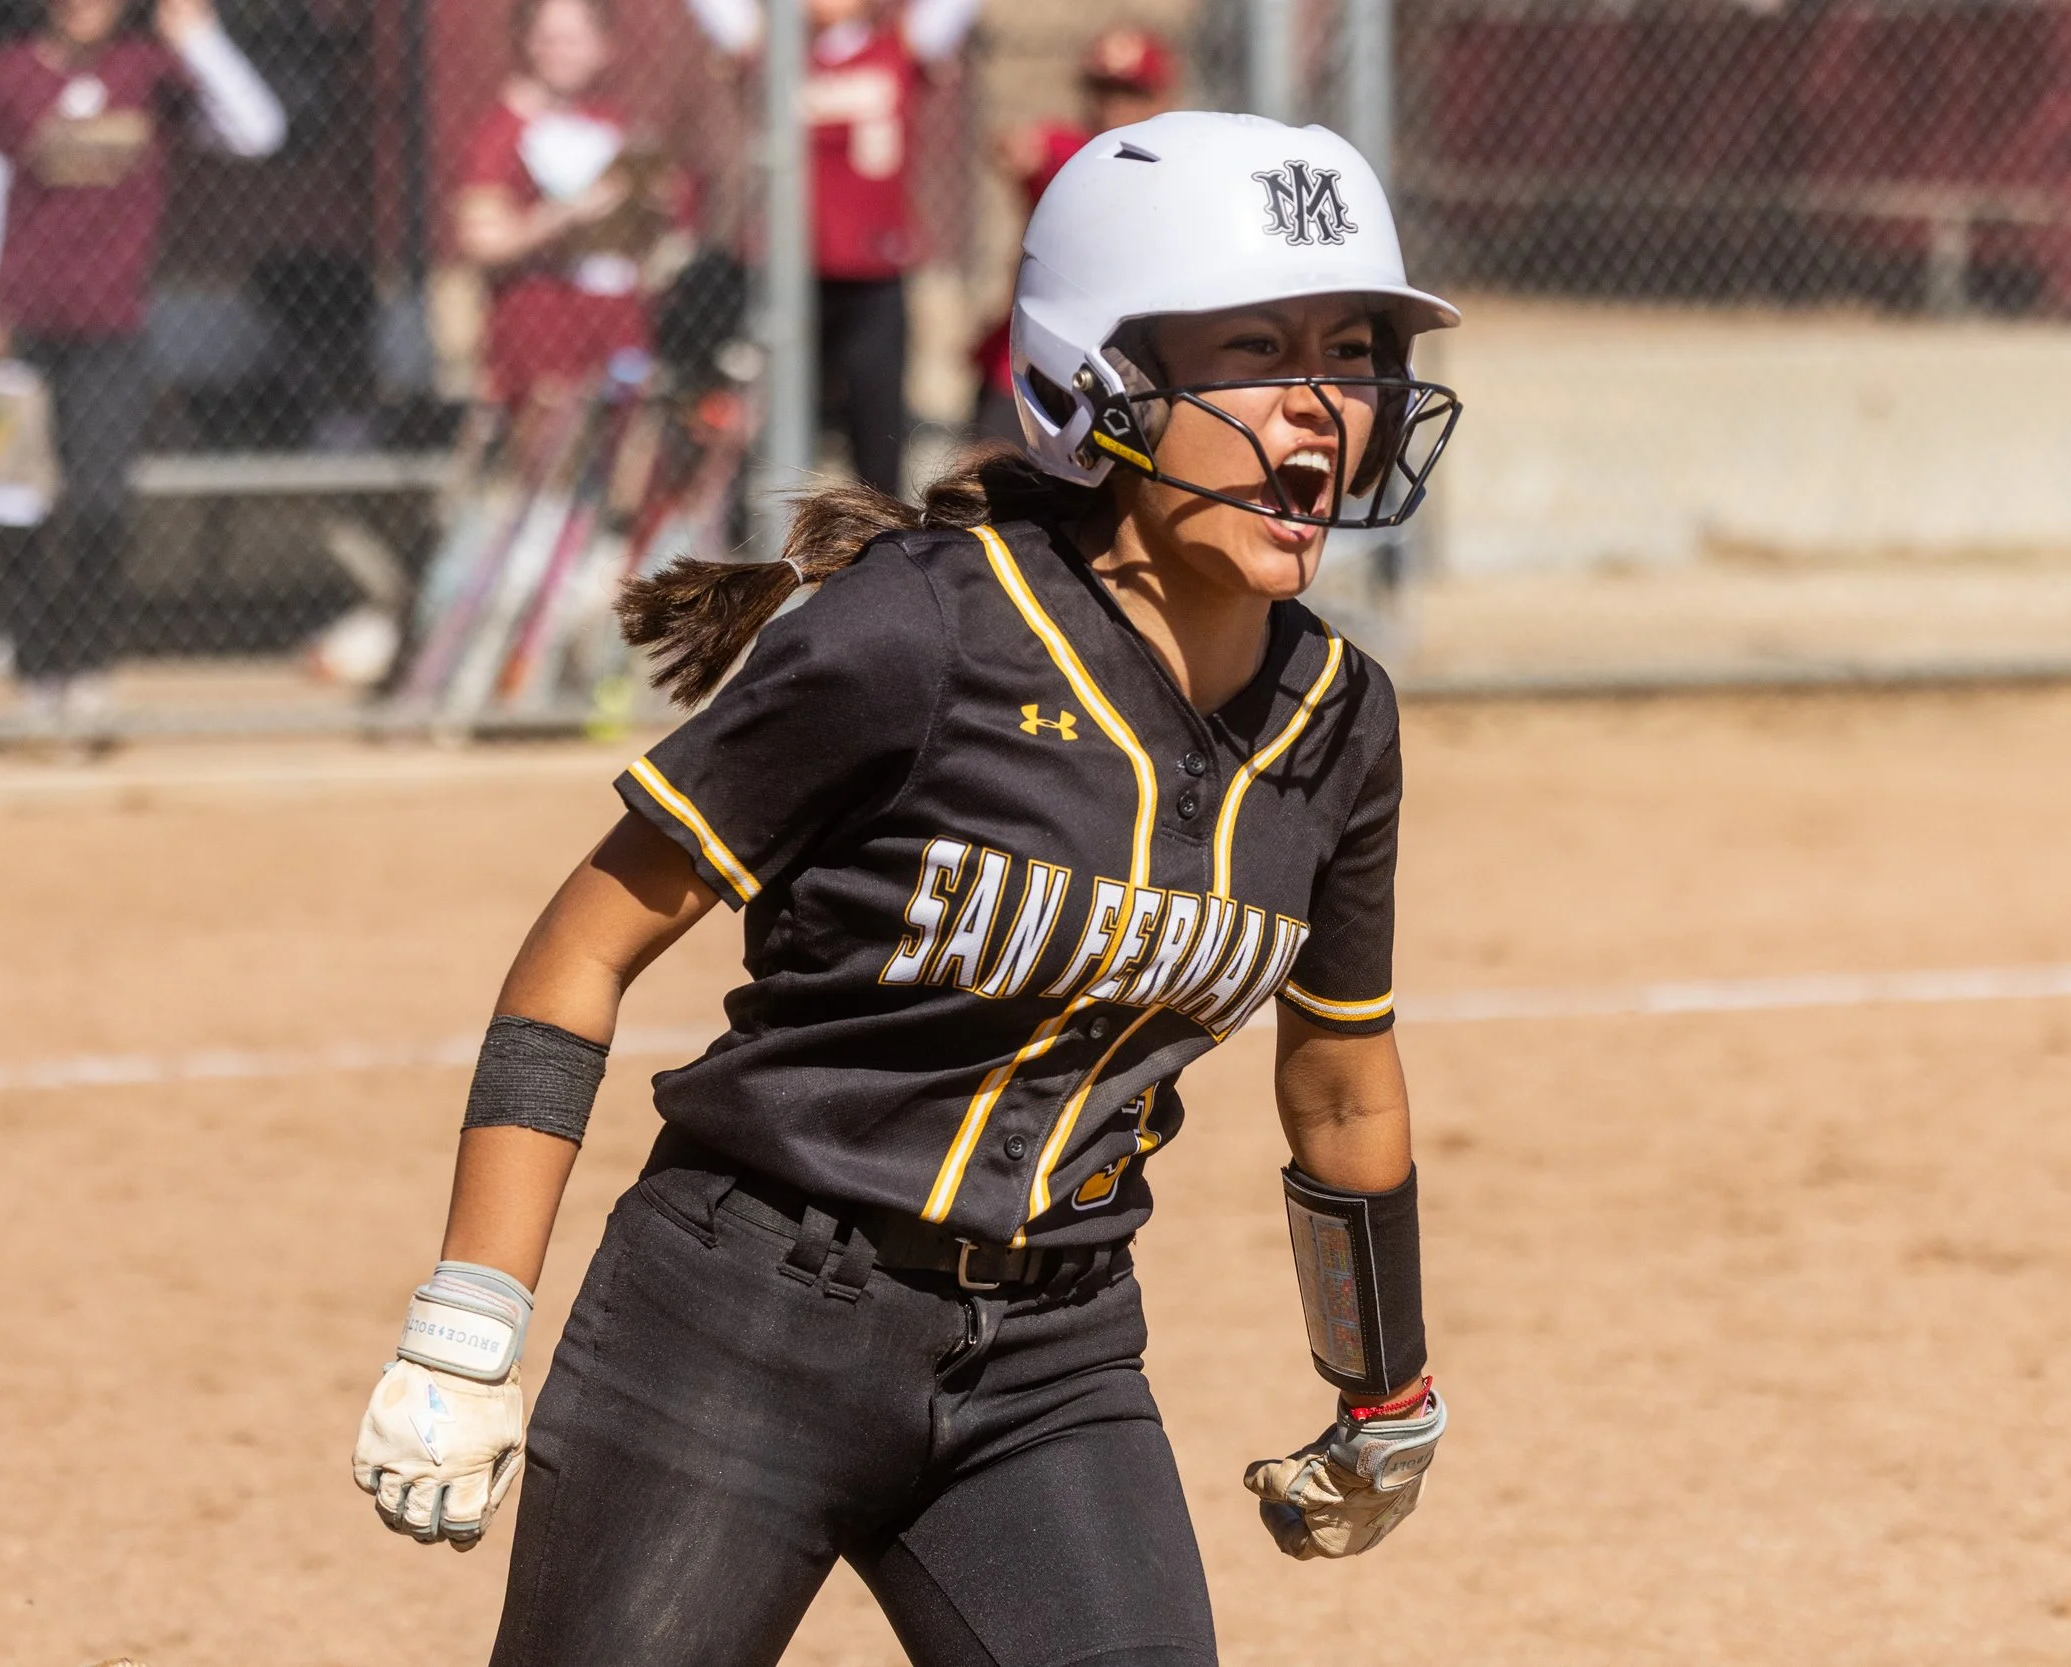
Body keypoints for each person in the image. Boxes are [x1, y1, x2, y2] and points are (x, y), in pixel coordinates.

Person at [349, 110, 1465, 1667]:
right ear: (1100, 378)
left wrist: (1384, 1382)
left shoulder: (1338, 721)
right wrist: (470, 1316)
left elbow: (1340, 1080)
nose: (1320, 408)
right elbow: (579, 951)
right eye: (1259, 349)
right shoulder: (920, 635)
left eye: (1352, 353)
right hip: (735, 1324)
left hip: (1055, 1357)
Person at [0, 0, 282, 722]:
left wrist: (199, 38)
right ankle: (37, 668)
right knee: (18, 507)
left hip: (112, 329)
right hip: (16, 333)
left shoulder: (148, 70)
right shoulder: (5, 75)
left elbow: (258, 131)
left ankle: (89, 661)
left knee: (102, 503)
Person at [455, 0, 694, 414]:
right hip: (543, 327)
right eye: (549, 39)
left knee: (629, 440)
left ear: (603, 47)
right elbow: (482, 241)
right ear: (528, 43)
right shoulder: (504, 131)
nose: (560, 51)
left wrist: (652, 203)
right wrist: (566, 214)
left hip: (618, 328)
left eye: (574, 40)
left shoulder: (610, 123)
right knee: (552, 443)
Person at [972, 26, 1179, 448]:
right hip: (1043, 345)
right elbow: (1019, 148)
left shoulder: (1177, 166)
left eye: (1130, 92)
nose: (1113, 105)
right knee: (985, 464)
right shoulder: (1073, 150)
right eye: (1102, 90)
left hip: (1129, 355)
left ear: (1162, 99)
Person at [805, 0, 978, 493]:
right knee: (784, 421)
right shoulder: (781, 55)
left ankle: (879, 526)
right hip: (796, 272)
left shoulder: (895, 47)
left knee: (876, 421)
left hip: (873, 268)